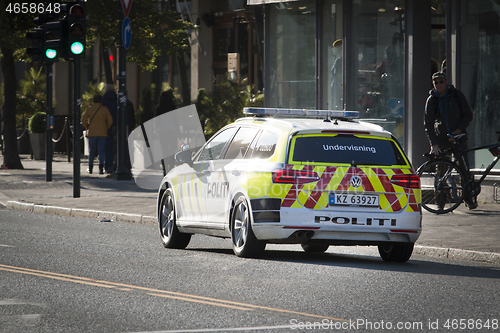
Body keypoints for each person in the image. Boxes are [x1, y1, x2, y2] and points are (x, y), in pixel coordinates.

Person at [424, 71, 476, 209]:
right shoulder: (432, 100)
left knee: (464, 170)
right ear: (433, 84)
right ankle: (440, 203)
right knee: (441, 171)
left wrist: (459, 129)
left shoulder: (456, 95)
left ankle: (469, 199)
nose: (439, 84)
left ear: (446, 82)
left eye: (441, 81)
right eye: (436, 82)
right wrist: (433, 144)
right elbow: (428, 123)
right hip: (442, 140)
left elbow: (468, 115)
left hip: (458, 137)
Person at [81, 94, 113, 175]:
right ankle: (101, 168)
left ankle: (90, 167)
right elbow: (110, 121)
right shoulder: (104, 109)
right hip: (102, 132)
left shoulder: (89, 109)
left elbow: (83, 119)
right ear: (101, 100)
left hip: (91, 132)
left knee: (91, 151)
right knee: (101, 151)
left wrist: (87, 126)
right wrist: (106, 128)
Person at [102, 84, 118, 174]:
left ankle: (108, 166)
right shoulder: (118, 99)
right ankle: (115, 165)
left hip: (106, 125)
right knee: (116, 146)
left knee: (107, 146)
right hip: (116, 125)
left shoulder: (103, 100)